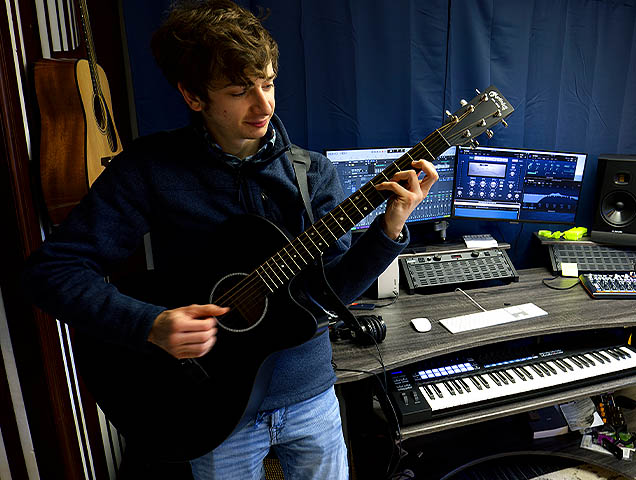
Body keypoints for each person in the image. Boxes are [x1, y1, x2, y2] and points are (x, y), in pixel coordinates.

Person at [22, 0, 439, 478]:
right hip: (206, 401)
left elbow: (335, 293)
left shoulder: (312, 173)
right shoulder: (150, 170)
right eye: (241, 91)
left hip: (310, 395)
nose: (263, 105)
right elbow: (52, 272)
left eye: (268, 83)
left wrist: (390, 230)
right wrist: (148, 323)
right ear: (193, 96)